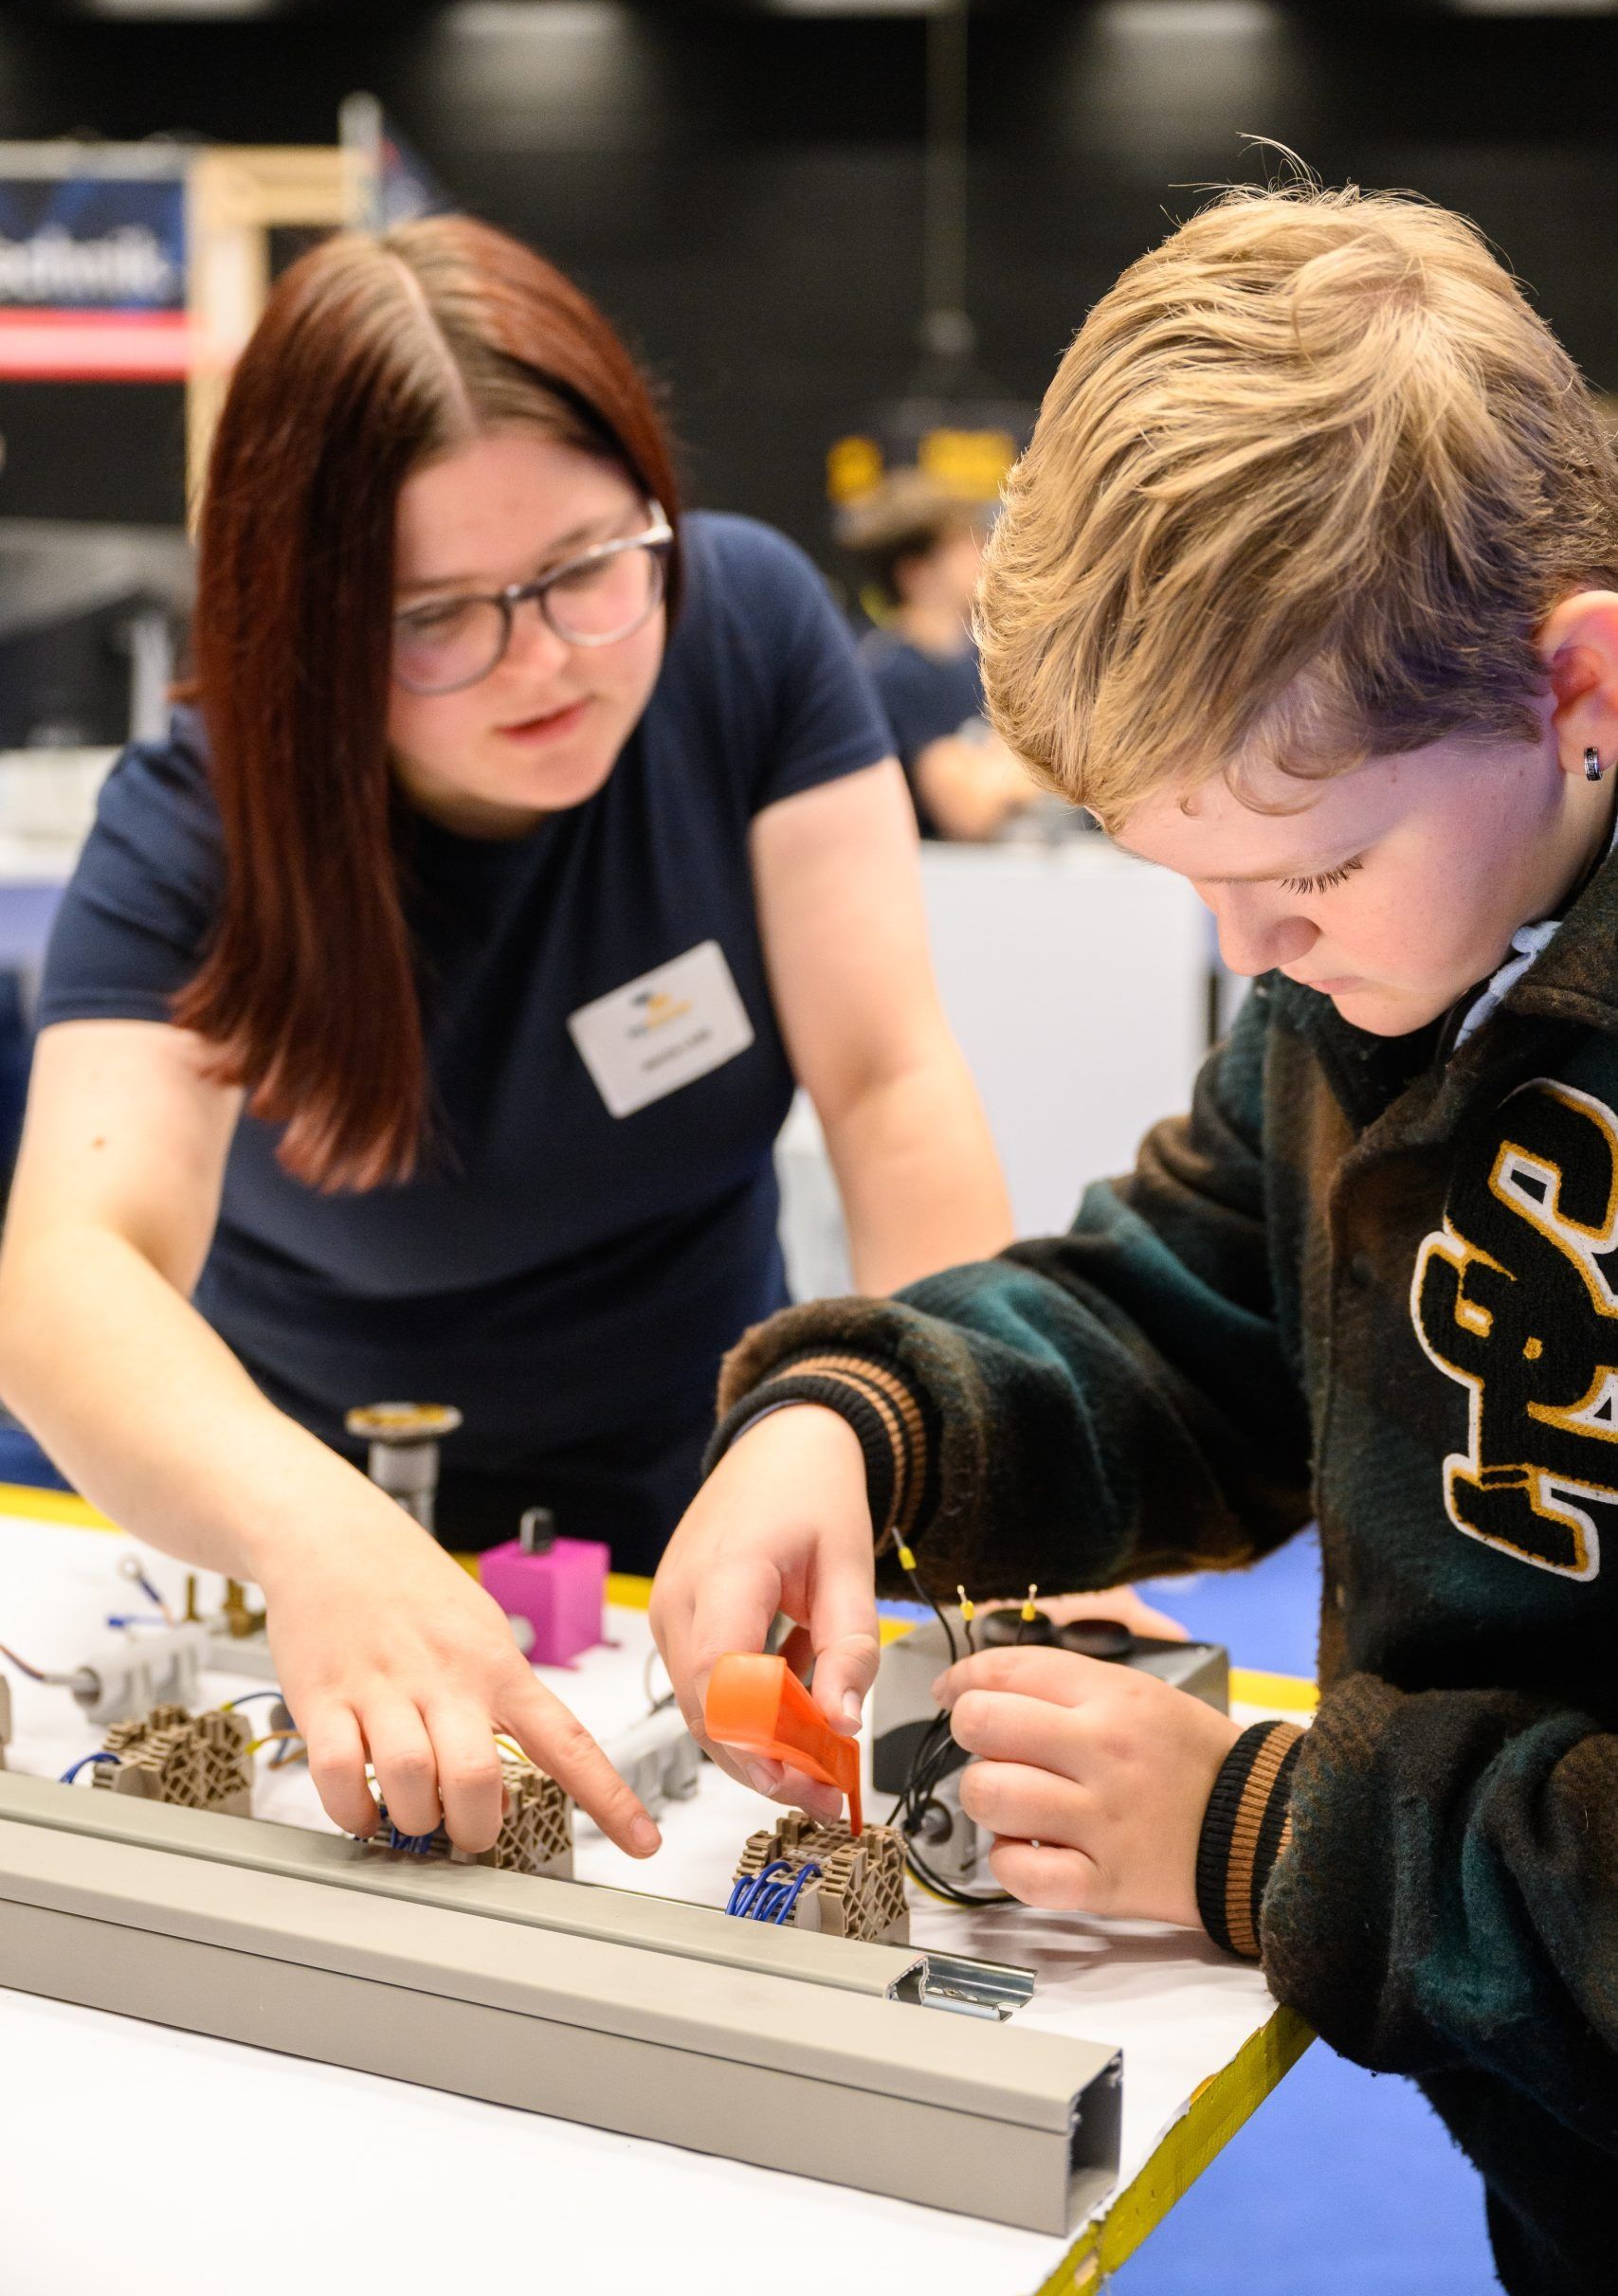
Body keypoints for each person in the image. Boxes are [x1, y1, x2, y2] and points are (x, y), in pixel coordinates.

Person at [652, 182, 1618, 2293]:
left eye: (1306, 869)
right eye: (1188, 879)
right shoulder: (1373, 971)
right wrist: (864, 1415)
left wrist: (1268, 1832)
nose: (1248, 953)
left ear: (1571, 679)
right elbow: (1191, 1309)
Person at [0, 213, 1013, 1855]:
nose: (546, 658)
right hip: (300, 1517)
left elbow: (888, 1083)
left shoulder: (742, 630)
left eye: (590, 568)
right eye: (437, 617)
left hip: (701, 1486)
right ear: (306, 631)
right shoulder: (205, 820)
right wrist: (315, 1538)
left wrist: (976, 1480)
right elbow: (65, 1278)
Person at [838, 472, 1045, 841]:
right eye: (964, 547)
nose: (985, 553)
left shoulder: (987, 661)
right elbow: (968, 813)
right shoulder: (895, 673)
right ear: (918, 574)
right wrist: (1033, 771)